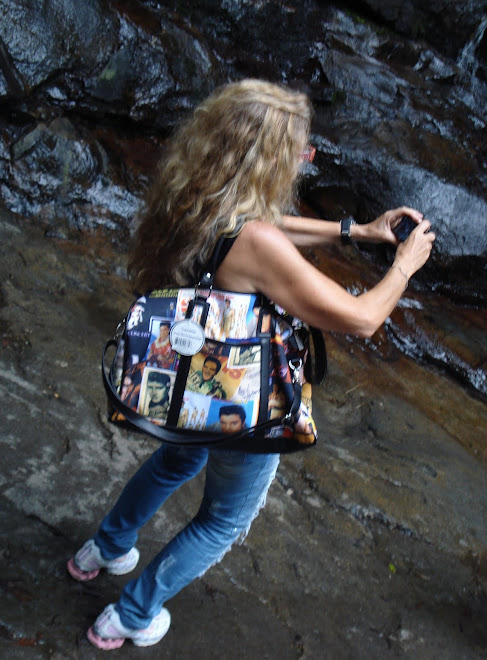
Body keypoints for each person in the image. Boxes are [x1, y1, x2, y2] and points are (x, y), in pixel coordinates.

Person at [67, 79, 435, 650]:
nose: (306, 159)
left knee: (173, 462)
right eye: (301, 150)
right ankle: (130, 616)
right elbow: (361, 318)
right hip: (237, 399)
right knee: (223, 520)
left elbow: (262, 228)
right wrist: (404, 266)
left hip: (188, 379)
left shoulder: (195, 192)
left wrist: (355, 231)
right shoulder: (256, 241)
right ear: (268, 157)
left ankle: (104, 550)